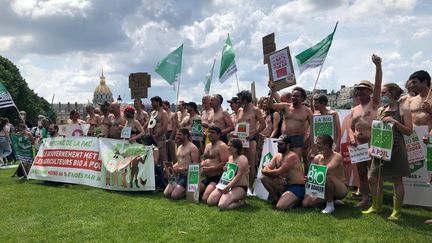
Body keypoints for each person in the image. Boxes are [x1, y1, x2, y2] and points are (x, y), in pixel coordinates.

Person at [362, 83, 412, 220]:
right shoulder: (380, 110)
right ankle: (376, 206)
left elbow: (409, 131)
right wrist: (372, 147)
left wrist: (395, 122)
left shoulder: (404, 110)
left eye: (384, 93)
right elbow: (377, 130)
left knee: (397, 179)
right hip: (380, 148)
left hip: (396, 148)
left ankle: (396, 211)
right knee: (372, 177)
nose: (381, 95)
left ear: (393, 94)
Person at [348, 54, 382, 207]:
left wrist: (378, 66)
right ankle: (365, 199)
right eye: (358, 89)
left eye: (363, 89)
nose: (360, 92)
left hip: (373, 143)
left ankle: (376, 200)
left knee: (374, 175)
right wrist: (352, 137)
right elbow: (350, 127)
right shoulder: (354, 109)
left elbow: (379, 83)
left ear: (370, 91)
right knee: (361, 173)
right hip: (358, 145)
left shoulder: (374, 104)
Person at [302, 134, 348, 214]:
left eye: (319, 143)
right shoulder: (317, 158)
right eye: (317, 143)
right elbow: (313, 174)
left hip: (340, 189)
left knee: (327, 177)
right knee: (306, 203)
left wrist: (314, 175)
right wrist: (308, 178)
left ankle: (330, 205)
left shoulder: (337, 157)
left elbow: (326, 170)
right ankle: (332, 200)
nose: (316, 145)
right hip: (323, 188)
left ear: (326, 145)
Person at [260, 134, 305, 210]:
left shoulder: (291, 156)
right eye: (278, 144)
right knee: (263, 178)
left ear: (288, 145)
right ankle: (276, 199)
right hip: (284, 185)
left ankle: (296, 200)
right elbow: (267, 168)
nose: (278, 146)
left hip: (296, 186)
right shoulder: (277, 155)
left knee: (280, 207)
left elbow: (276, 172)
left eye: (281, 144)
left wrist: (266, 171)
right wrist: (276, 175)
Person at [268, 84, 313, 159]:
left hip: (297, 139)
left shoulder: (307, 111)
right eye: (293, 96)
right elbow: (271, 105)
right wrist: (272, 92)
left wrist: (307, 137)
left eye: (296, 96)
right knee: (281, 160)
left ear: (302, 98)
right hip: (284, 138)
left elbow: (313, 126)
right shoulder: (286, 106)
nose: (293, 98)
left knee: (295, 161)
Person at [207, 138, 249, 210]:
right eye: (228, 145)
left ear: (236, 148)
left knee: (222, 206)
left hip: (239, 187)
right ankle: (226, 198)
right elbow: (229, 174)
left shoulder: (242, 159)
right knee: (210, 201)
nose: (228, 147)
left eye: (231, 146)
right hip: (226, 185)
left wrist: (228, 187)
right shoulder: (230, 158)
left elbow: (238, 176)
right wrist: (225, 169)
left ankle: (241, 202)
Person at [236, 90, 266, 189]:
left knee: (251, 164)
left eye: (239, 99)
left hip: (250, 140)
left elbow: (263, 124)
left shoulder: (255, 110)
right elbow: (238, 124)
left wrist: (253, 134)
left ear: (245, 99)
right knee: (240, 162)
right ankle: (241, 184)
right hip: (240, 140)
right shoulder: (240, 110)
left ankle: (249, 187)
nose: (238, 101)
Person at [164, 128, 200, 199]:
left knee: (174, 196)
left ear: (186, 135)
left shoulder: (192, 148)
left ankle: (190, 190)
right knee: (166, 193)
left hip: (187, 176)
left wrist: (181, 169)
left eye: (179, 135)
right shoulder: (179, 147)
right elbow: (179, 162)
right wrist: (171, 168)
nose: (177, 136)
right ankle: (181, 189)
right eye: (177, 134)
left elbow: (196, 165)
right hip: (178, 174)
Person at [200, 126, 229, 203]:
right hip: (206, 177)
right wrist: (200, 166)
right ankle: (208, 192)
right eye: (209, 132)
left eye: (212, 132)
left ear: (219, 135)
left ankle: (218, 194)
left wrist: (211, 169)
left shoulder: (222, 146)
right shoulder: (208, 145)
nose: (209, 134)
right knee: (192, 193)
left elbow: (225, 163)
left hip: (216, 177)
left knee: (204, 199)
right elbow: (204, 159)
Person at [149, 96, 168, 163]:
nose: (151, 104)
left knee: (163, 158)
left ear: (158, 102)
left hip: (160, 138)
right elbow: (150, 124)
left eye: (153, 102)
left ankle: (167, 173)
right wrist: (151, 135)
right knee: (154, 157)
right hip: (152, 138)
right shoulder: (152, 113)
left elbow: (165, 126)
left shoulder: (163, 113)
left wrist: (156, 135)